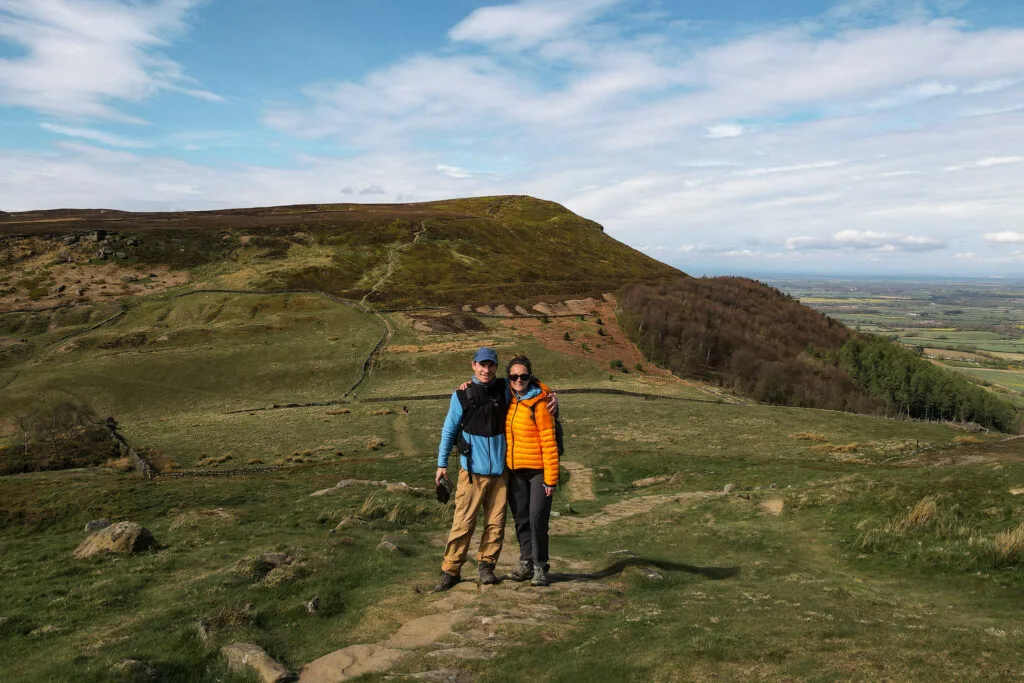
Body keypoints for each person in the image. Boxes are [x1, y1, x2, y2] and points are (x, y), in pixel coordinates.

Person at [433, 347, 556, 592]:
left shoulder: (504, 388)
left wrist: (551, 393)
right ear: (473, 365)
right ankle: (450, 570)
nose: (486, 370)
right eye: (482, 365)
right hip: (472, 472)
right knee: (463, 523)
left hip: (500, 472)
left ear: (495, 367)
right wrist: (441, 463)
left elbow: (527, 384)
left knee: (495, 523)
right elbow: (448, 430)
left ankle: (486, 567)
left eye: (490, 365)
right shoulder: (461, 395)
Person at [503, 355, 559, 587]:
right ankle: (526, 561)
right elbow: (482, 386)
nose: (518, 380)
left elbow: (549, 442)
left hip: (538, 472)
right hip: (515, 471)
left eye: (523, 376)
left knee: (537, 519)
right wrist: (465, 384)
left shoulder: (541, 403)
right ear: (509, 378)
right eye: (514, 376)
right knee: (521, 519)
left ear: (530, 377)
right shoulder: (507, 397)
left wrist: (551, 480)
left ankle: (540, 566)